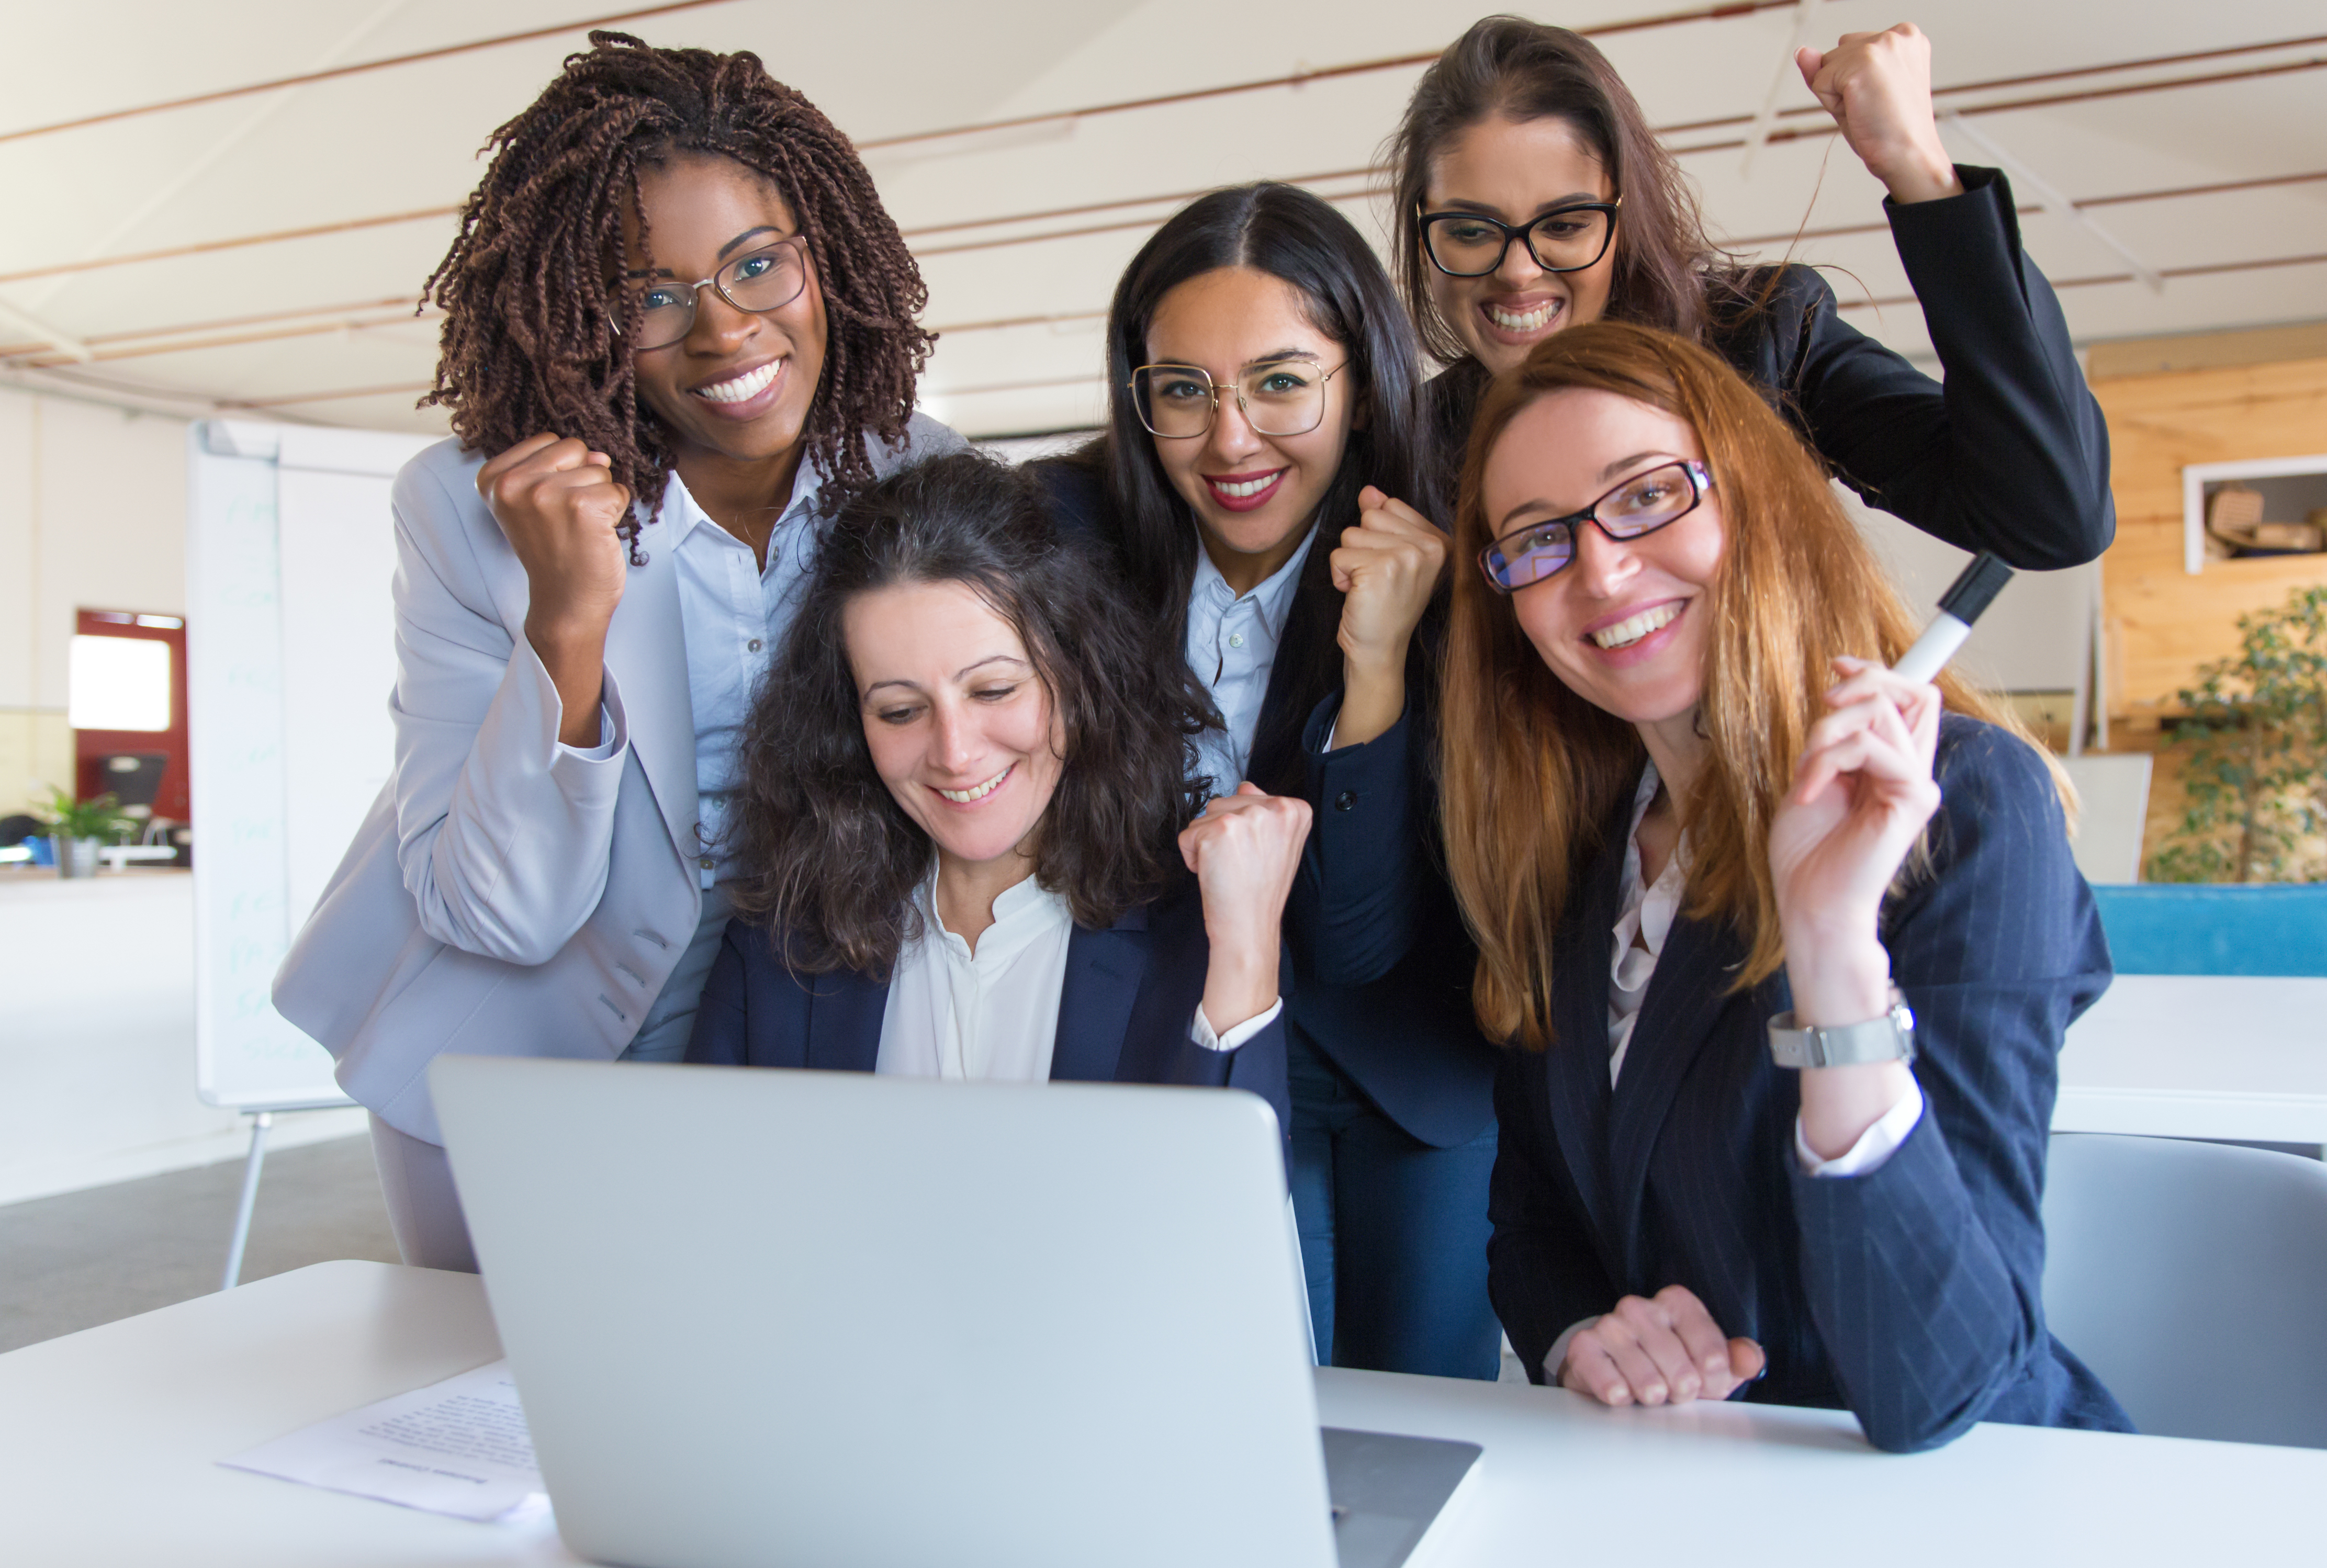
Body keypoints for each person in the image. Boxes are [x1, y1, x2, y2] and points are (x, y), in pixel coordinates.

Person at [272, 35, 960, 1271]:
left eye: (758, 265)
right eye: (652, 296)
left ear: (828, 256)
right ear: (584, 319)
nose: (723, 333)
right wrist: (566, 622)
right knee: (503, 1426)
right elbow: (499, 912)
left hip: (793, 1028)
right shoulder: (471, 507)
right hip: (520, 1047)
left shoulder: (914, 472)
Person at [1442, 321, 2129, 1452]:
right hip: (1698, 1485)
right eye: (1538, 539)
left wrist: (1830, 945)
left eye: (1647, 495)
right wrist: (1584, 1334)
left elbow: (1945, 1385)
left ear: (1756, 500)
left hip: (1947, 1500)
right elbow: (1536, 1217)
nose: (1602, 567)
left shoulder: (1967, 804)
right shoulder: (1577, 845)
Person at [1030, 184, 1502, 1379]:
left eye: (1282, 381)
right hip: (1169, 1055)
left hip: (1404, 1083)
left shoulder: (1453, 549)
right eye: (1182, 390)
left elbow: (1357, 934)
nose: (1230, 438)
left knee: (1415, 1439)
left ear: (1362, 375)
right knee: (1199, 1409)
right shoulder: (1062, 539)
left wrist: (1380, 665)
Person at [688, 453, 1307, 1115]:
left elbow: (1230, 1209)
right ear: (849, 720)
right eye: (900, 710)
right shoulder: (774, 945)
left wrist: (1244, 950)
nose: (955, 754)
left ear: (1077, 677)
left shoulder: (1203, 932)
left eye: (993, 690)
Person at [1386, 17, 2113, 570]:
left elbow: (2049, 515)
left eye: (1567, 224)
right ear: (1423, 229)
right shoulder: (1406, 452)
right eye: (1472, 231)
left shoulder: (1766, 341)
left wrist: (1917, 168)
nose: (1518, 271)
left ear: (1625, 214)